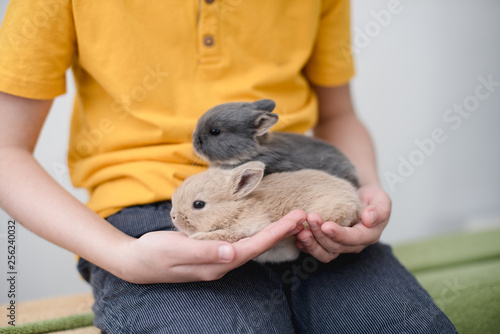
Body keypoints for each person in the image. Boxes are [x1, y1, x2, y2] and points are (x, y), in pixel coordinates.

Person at [0, 1, 457, 333]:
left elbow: (337, 114)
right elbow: (6, 151)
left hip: (303, 210)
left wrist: (366, 190)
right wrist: (121, 256)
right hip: (150, 222)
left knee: (397, 322)